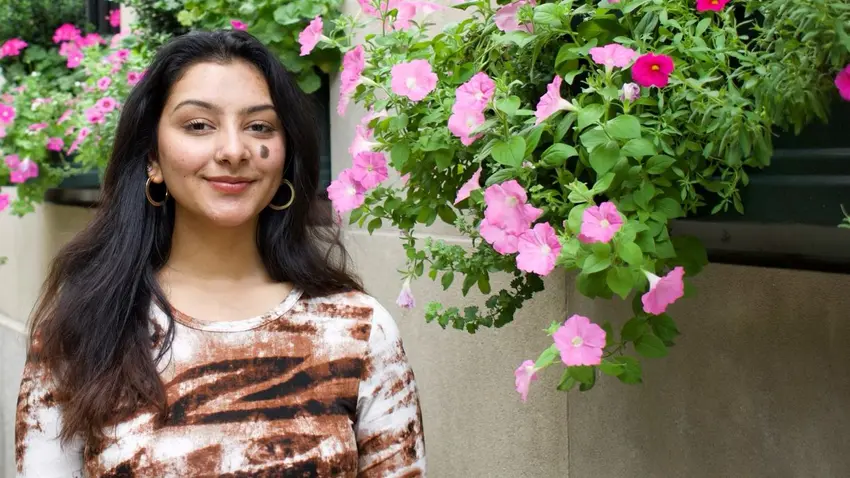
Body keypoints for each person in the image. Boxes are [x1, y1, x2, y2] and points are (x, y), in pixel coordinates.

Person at [15, 30, 425, 477]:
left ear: (285, 156)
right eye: (198, 125)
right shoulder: (85, 328)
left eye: (259, 127)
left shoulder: (359, 331)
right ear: (152, 156)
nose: (233, 151)